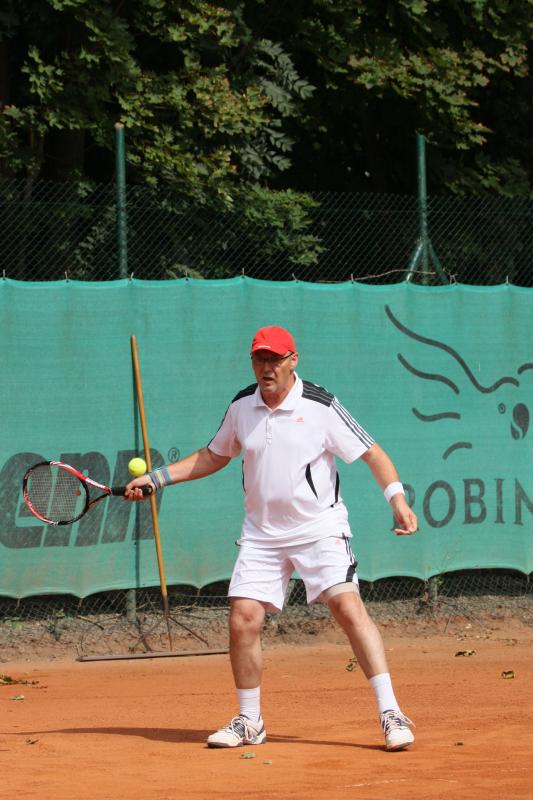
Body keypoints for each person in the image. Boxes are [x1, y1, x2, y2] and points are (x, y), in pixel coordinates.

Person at [125, 325, 418, 751]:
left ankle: (391, 712)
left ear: (292, 360)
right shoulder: (242, 405)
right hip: (262, 534)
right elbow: (214, 455)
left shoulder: (320, 405)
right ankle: (249, 721)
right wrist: (158, 478)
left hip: (319, 527)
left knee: (347, 607)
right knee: (243, 618)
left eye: (275, 359)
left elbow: (372, 452)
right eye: (260, 359)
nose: (267, 367)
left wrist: (397, 499)